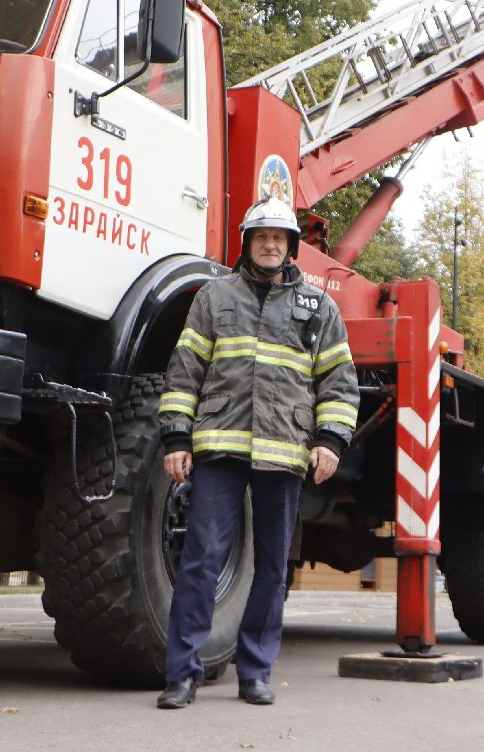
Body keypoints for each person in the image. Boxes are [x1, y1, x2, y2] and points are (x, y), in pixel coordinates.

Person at [154, 197, 360, 709]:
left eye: (279, 237)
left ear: (292, 247)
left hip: (285, 453)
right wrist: (177, 437)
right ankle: (182, 674)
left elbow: (338, 382)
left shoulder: (319, 307)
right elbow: (184, 372)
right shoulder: (214, 298)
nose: (270, 244)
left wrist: (330, 441)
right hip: (219, 450)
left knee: (271, 567)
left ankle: (255, 672)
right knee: (201, 560)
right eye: (260, 235)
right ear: (247, 241)